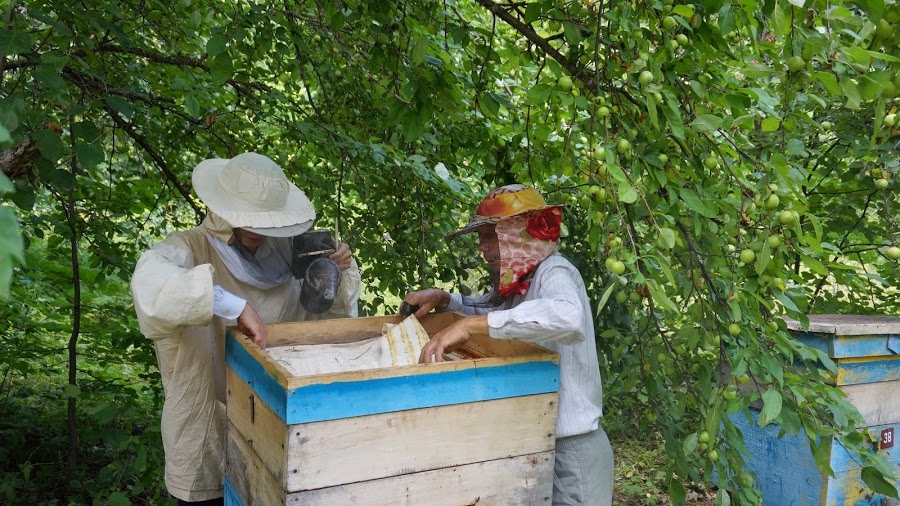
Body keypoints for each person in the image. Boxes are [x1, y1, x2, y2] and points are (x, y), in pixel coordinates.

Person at [130, 152, 360, 505]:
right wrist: (231, 304)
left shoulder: (287, 253)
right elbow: (151, 286)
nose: (256, 230)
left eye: (264, 221)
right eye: (249, 219)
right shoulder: (188, 247)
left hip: (274, 423)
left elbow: (324, 321)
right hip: (205, 420)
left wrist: (337, 269)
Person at [403, 184, 613, 506]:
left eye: (490, 236)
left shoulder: (554, 271)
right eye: (480, 238)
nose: (482, 248)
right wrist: (445, 301)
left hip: (572, 449)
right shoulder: (518, 284)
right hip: (538, 440)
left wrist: (470, 326)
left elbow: (567, 317)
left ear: (517, 233)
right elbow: (492, 311)